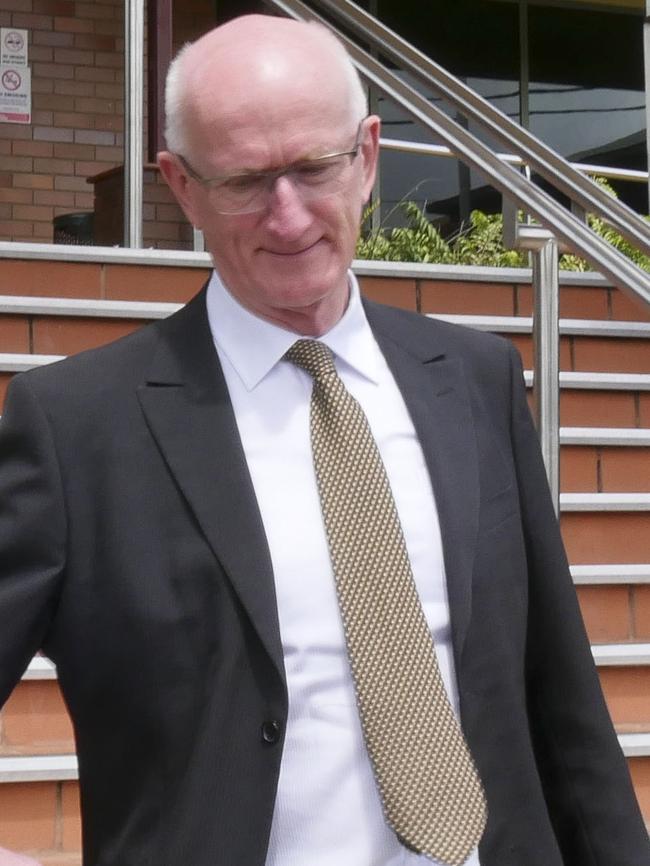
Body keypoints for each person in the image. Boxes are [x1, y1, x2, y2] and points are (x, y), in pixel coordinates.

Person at [0, 13, 648, 866]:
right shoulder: (77, 427)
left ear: (369, 156)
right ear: (180, 185)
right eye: (244, 181)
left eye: (314, 168)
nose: (289, 215)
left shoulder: (476, 379)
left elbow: (559, 695)